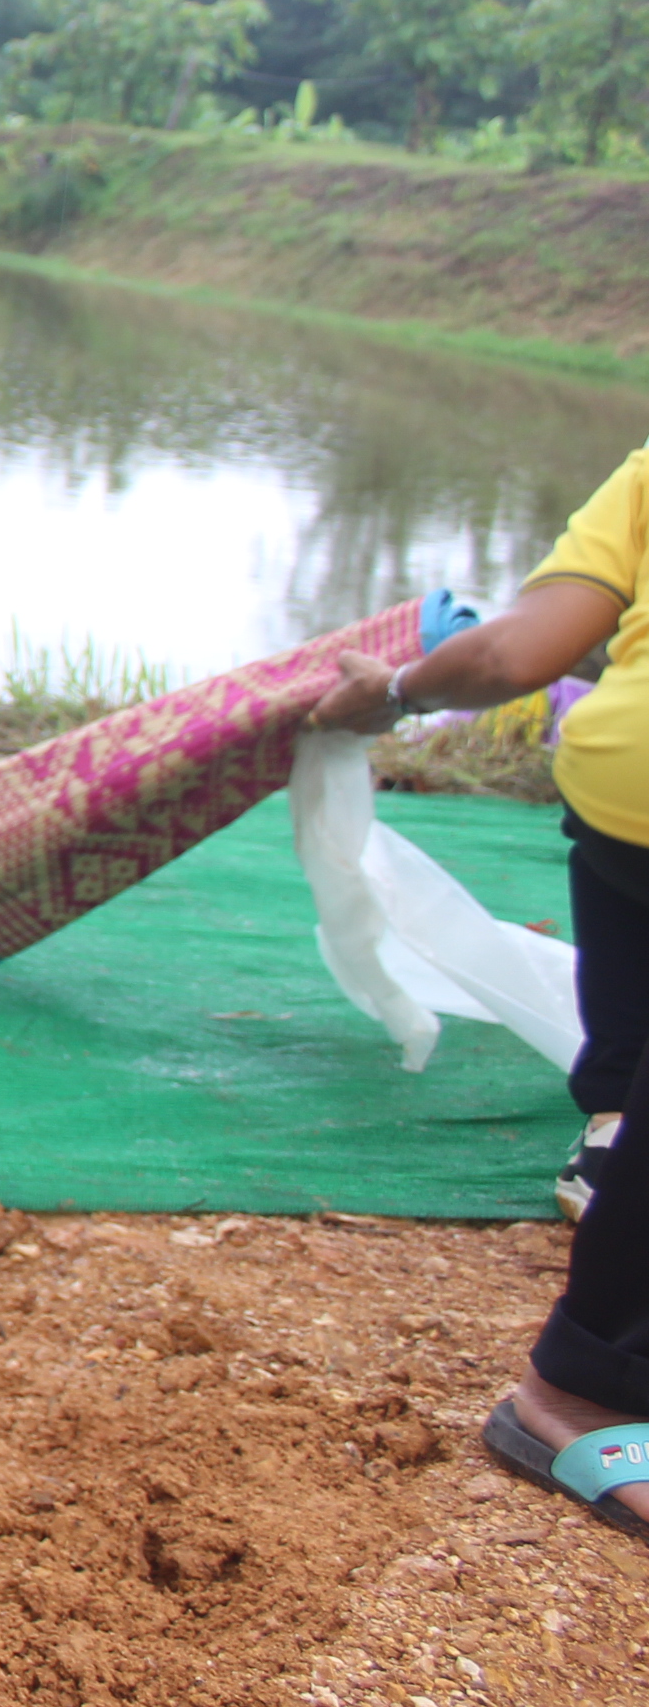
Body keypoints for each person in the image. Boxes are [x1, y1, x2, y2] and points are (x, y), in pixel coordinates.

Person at [312, 447, 649, 1535]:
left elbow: (514, 651)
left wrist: (394, 694)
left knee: (628, 1026)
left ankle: (611, 1131)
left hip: (618, 794)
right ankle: (583, 1390)